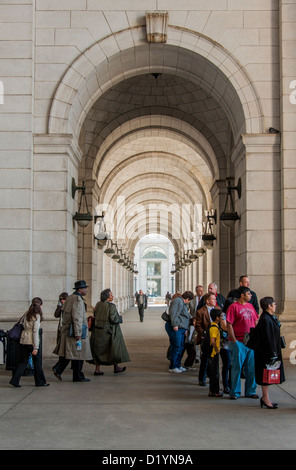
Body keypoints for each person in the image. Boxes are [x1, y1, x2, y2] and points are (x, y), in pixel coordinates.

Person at [53, 280, 92, 382]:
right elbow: (77, 318)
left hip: (68, 330)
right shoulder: (78, 300)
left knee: (74, 354)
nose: (86, 290)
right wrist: (78, 333)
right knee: (79, 354)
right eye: (85, 288)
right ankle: (77, 375)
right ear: (80, 289)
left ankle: (72, 373)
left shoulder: (70, 297)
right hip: (76, 332)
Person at [226, 286, 259, 400]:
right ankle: (235, 392)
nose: (251, 296)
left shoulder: (251, 306)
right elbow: (229, 324)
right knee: (237, 368)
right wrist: (234, 340)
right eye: (249, 294)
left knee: (251, 368)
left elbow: (255, 321)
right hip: (238, 342)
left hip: (251, 342)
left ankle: (250, 391)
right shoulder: (233, 307)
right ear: (242, 295)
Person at [9, 297, 49, 387]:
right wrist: (36, 347)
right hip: (31, 341)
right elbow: (35, 332)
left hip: (23, 340)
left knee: (23, 362)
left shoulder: (27, 313)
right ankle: (40, 381)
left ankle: (15, 380)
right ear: (40, 305)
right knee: (37, 362)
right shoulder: (37, 316)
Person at [254, 297, 285, 409]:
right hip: (267, 352)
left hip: (269, 351)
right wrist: (273, 353)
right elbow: (268, 338)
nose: (275, 305)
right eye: (274, 304)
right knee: (266, 376)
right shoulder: (266, 319)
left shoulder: (269, 317)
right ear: (269, 306)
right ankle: (265, 398)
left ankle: (266, 398)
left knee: (267, 376)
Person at [90, 288, 130, 375]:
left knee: (98, 350)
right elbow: (113, 319)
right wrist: (120, 318)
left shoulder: (98, 304)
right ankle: (116, 367)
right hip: (108, 331)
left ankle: (97, 369)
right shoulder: (111, 306)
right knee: (113, 348)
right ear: (107, 297)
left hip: (97, 330)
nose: (113, 296)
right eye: (111, 295)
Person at [165, 290, 194, 373]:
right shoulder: (178, 301)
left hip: (182, 328)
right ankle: (173, 366)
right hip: (177, 328)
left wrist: (185, 328)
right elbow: (173, 314)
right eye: (189, 300)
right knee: (176, 346)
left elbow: (184, 315)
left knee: (180, 346)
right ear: (187, 298)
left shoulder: (181, 302)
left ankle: (177, 365)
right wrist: (175, 325)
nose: (189, 302)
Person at [196, 293, 221, 386]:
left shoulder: (218, 309)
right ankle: (202, 379)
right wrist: (203, 334)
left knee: (214, 359)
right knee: (205, 359)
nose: (215, 301)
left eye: (215, 299)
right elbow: (198, 325)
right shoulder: (201, 311)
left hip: (216, 337)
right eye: (213, 299)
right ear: (207, 301)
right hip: (206, 338)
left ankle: (212, 377)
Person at [52, 291, 71, 380]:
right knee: (61, 350)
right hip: (60, 331)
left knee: (65, 351)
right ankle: (58, 367)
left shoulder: (69, 307)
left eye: (63, 299)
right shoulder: (61, 307)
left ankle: (58, 367)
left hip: (66, 331)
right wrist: (59, 306)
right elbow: (56, 315)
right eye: (60, 299)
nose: (62, 300)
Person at [208, 309, 223, 397]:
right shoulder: (214, 328)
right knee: (216, 373)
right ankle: (215, 391)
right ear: (217, 318)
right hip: (214, 353)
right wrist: (217, 349)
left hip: (213, 353)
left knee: (214, 373)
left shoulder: (212, 326)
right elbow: (213, 340)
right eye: (221, 316)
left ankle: (212, 391)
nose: (222, 318)